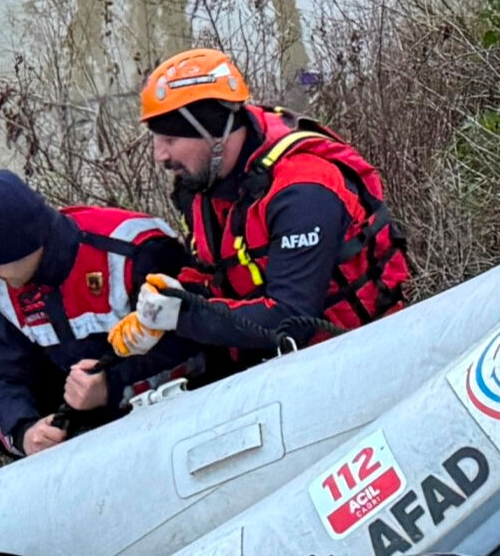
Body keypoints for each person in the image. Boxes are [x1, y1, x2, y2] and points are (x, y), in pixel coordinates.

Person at [134, 48, 413, 357]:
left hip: (361, 351)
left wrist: (181, 315)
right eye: (156, 140)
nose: (159, 155)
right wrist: (171, 299)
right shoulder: (200, 184)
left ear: (214, 135)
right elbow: (215, 279)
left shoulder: (304, 192)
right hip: (278, 359)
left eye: (170, 141)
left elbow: (292, 321)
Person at [0, 168, 204, 453]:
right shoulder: (5, 288)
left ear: (26, 245)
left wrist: (113, 386)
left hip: (193, 414)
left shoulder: (132, 251)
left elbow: (199, 340)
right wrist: (25, 431)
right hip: (107, 441)